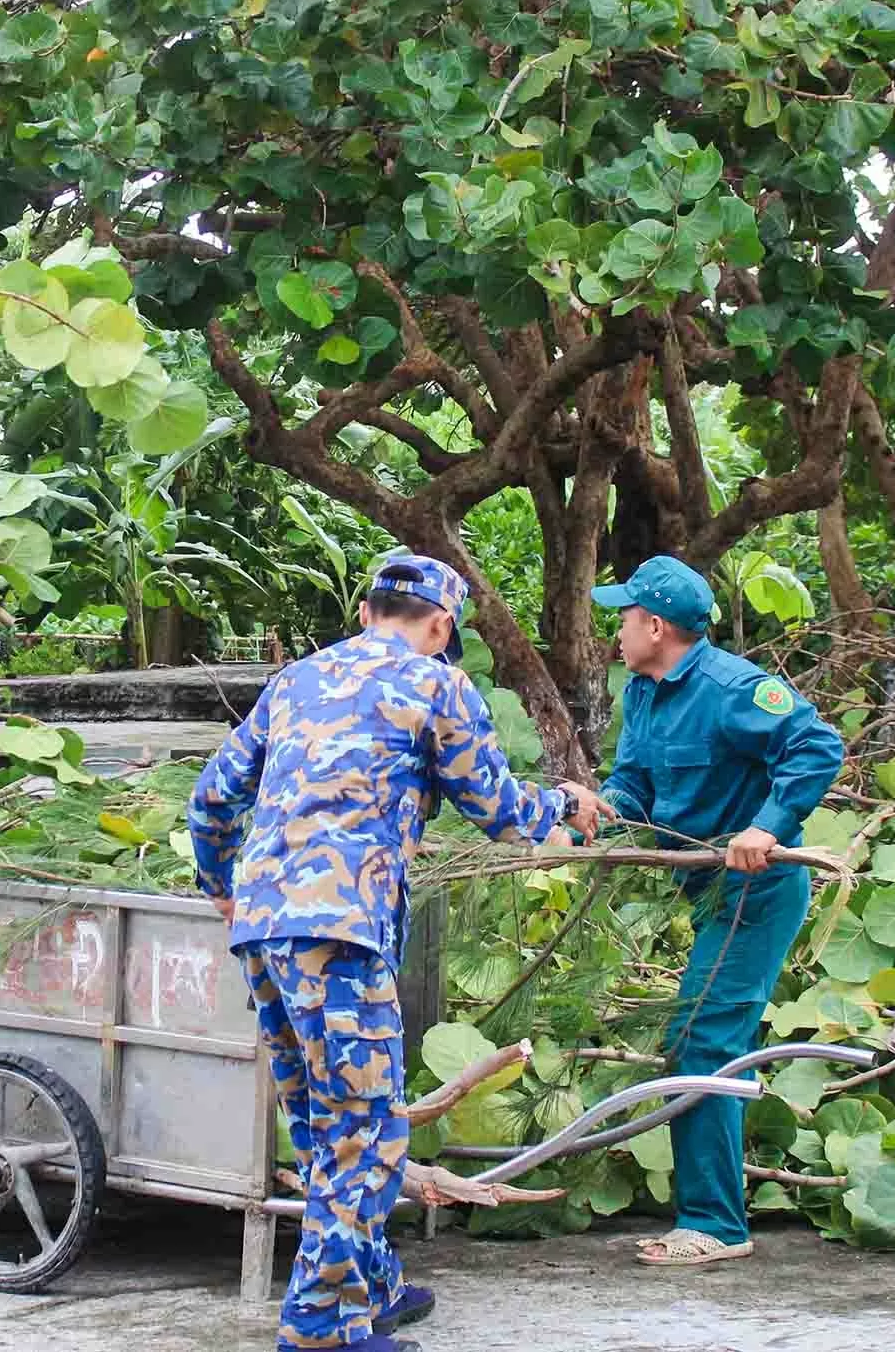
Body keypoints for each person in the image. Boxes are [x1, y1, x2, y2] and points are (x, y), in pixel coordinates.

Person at [188, 555, 594, 1352]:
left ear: (368, 610)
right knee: (366, 1134)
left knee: (319, 1123)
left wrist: (222, 887)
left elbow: (211, 798)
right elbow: (495, 807)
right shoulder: (435, 682)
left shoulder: (295, 680)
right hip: (339, 933)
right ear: (440, 626)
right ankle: (321, 1330)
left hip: (264, 931)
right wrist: (564, 806)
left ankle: (368, 1286)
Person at [573, 555, 844, 1268]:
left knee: (701, 1041)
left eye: (624, 616)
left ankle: (715, 1224)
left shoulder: (734, 688)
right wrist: (594, 817)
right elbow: (633, 783)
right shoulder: (645, 693)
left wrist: (769, 825)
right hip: (705, 894)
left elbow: (816, 746)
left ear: (655, 626)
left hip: (753, 895)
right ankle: (711, 1211)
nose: (618, 628)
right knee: (702, 1039)